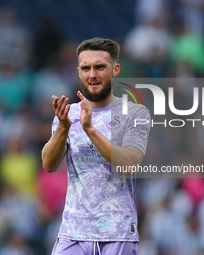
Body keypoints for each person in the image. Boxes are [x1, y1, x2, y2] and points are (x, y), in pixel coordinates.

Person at [41, 37, 150, 255]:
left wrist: (90, 130)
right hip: (73, 232)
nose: (92, 74)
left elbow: (129, 163)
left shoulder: (136, 113)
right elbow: (49, 165)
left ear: (115, 69)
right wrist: (63, 127)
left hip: (116, 233)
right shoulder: (67, 115)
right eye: (86, 68)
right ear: (78, 71)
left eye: (100, 67)